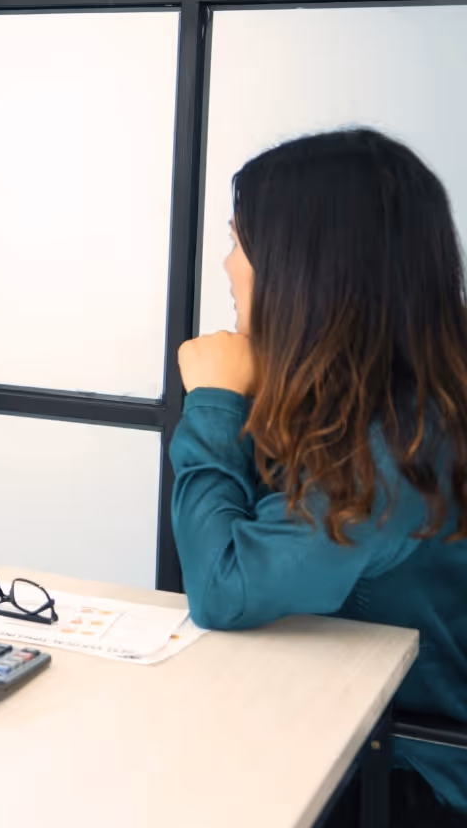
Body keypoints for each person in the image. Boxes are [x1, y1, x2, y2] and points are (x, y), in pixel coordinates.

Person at [172, 127, 467, 825]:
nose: (226, 264)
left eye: (240, 243)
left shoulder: (393, 449)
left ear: (304, 270)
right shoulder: (413, 402)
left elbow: (224, 587)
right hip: (354, 736)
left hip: (402, 781)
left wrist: (215, 401)